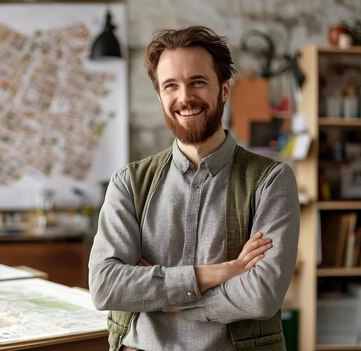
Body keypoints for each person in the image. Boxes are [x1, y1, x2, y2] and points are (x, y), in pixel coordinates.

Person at [88, 25, 300, 351]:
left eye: (198, 82)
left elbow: (261, 296)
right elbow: (105, 287)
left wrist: (164, 297)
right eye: (170, 85)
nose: (185, 97)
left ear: (225, 90)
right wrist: (219, 273)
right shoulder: (128, 183)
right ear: (160, 95)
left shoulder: (270, 181)